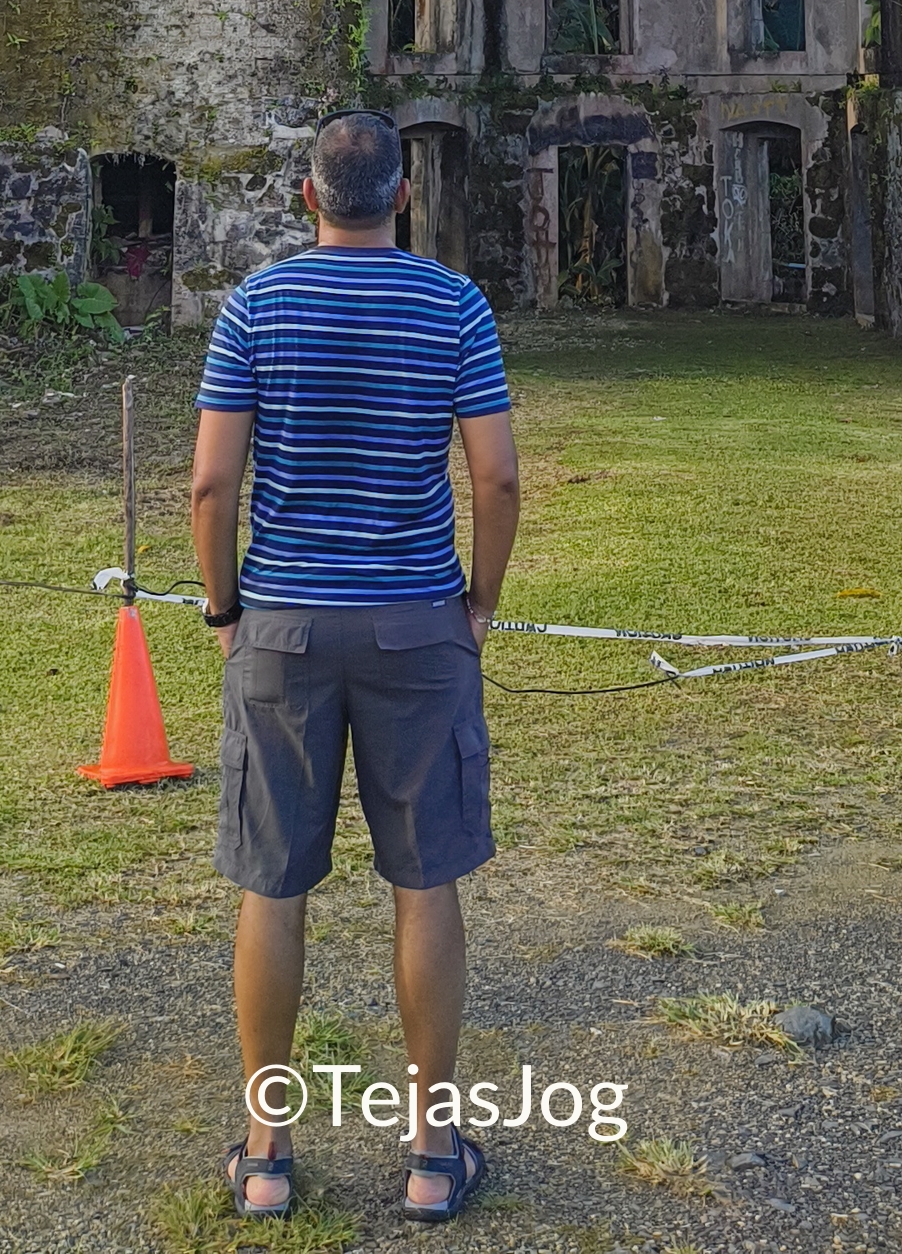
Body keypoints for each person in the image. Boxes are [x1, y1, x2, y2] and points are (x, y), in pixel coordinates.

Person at [191, 108, 520, 1225]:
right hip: (415, 623)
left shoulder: (256, 306)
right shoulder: (454, 304)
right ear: (403, 196)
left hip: (282, 625)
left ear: (307, 195)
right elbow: (499, 477)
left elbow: (208, 485)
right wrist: (479, 600)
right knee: (424, 877)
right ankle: (431, 1149)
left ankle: (268, 1150)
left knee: (271, 883)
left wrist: (224, 608)